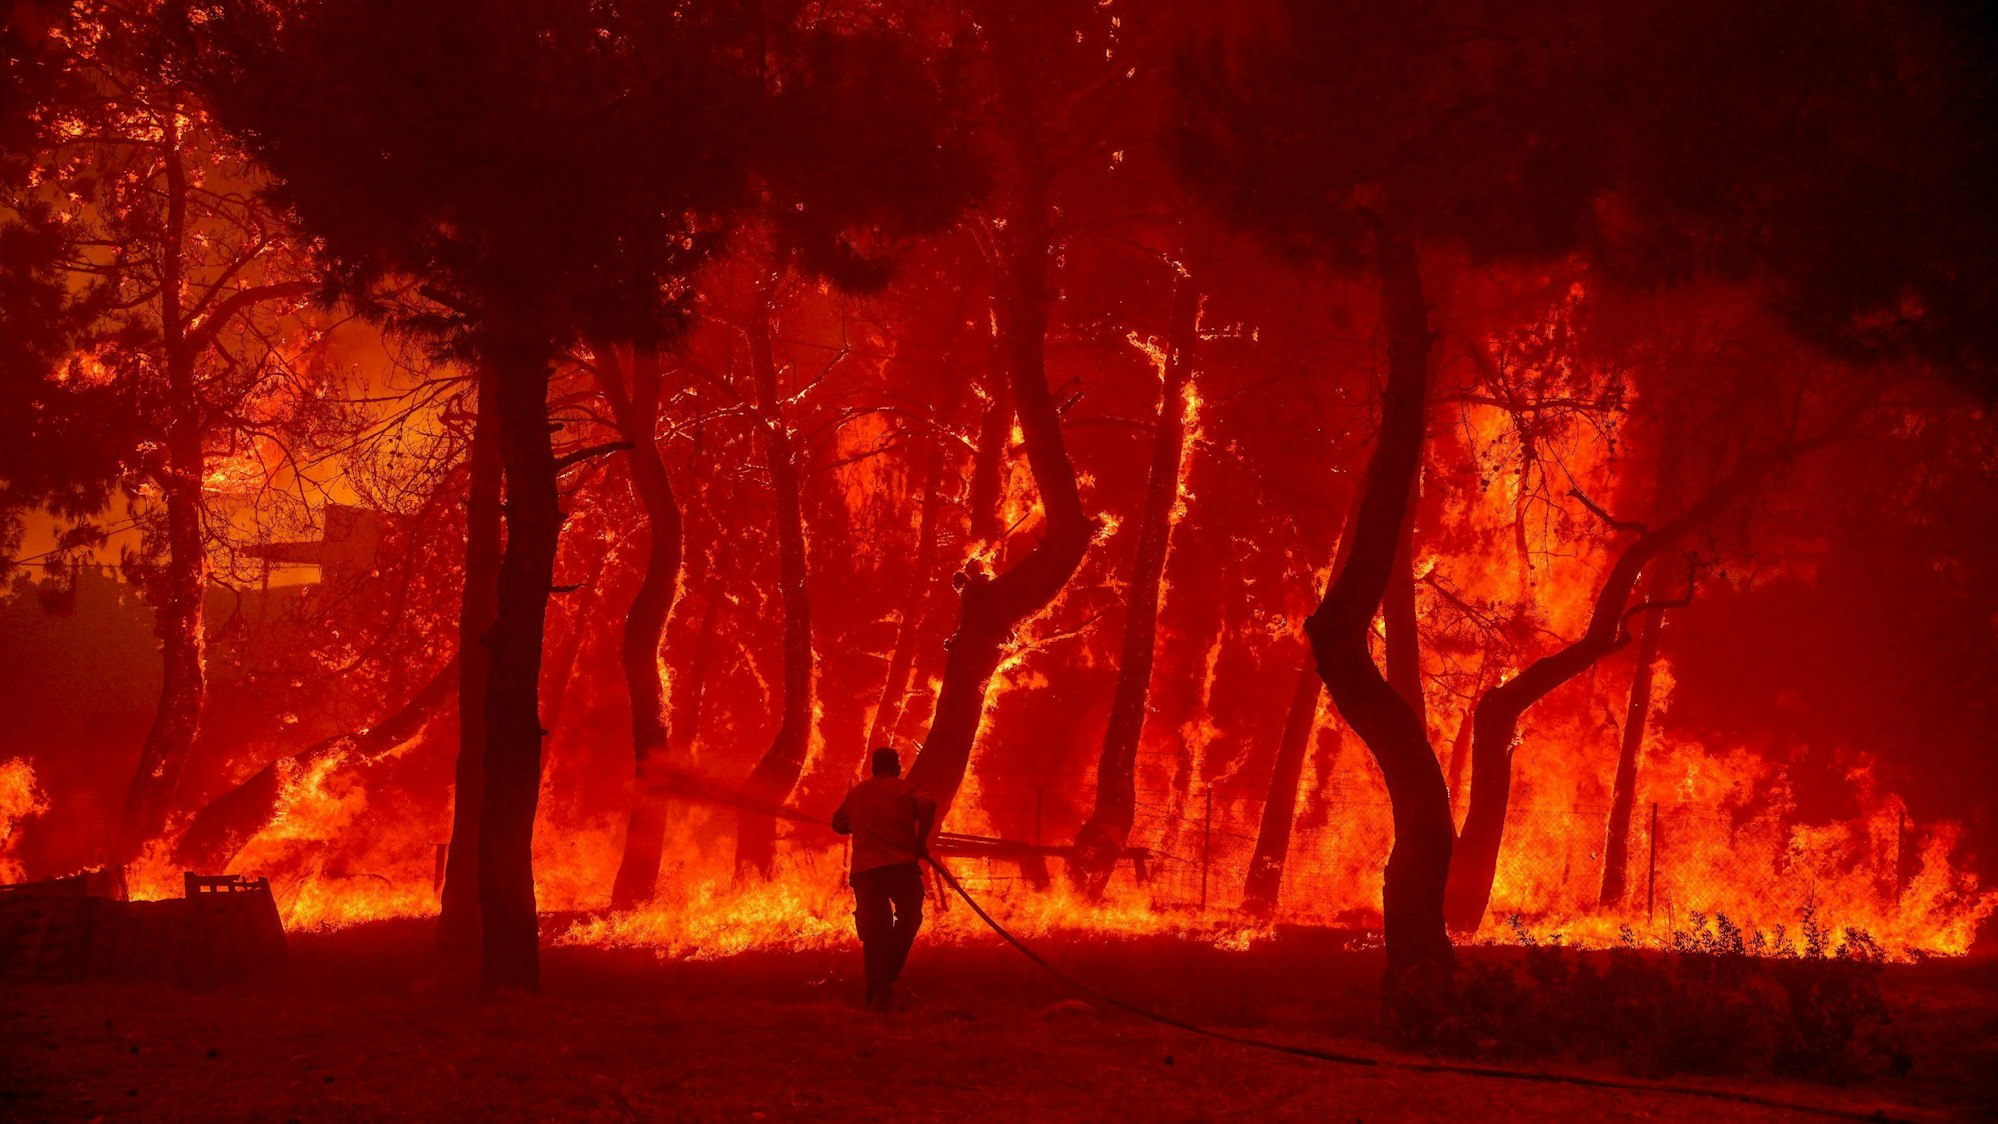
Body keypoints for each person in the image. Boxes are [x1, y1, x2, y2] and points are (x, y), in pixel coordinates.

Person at [831, 747, 937, 1011]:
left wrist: (862, 823)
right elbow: (928, 805)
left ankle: (876, 990)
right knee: (910, 918)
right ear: (897, 767)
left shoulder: (857, 793)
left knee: (875, 933)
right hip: (901, 867)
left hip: (866, 872)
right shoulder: (907, 789)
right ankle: (888, 973)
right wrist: (920, 842)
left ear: (873, 768)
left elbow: (839, 824)